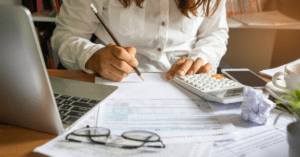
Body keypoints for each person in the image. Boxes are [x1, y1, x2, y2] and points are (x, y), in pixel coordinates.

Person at [52, 0, 228, 82]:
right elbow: (66, 35)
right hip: (113, 83)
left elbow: (215, 33)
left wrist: (202, 59)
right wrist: (92, 57)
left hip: (188, 84)